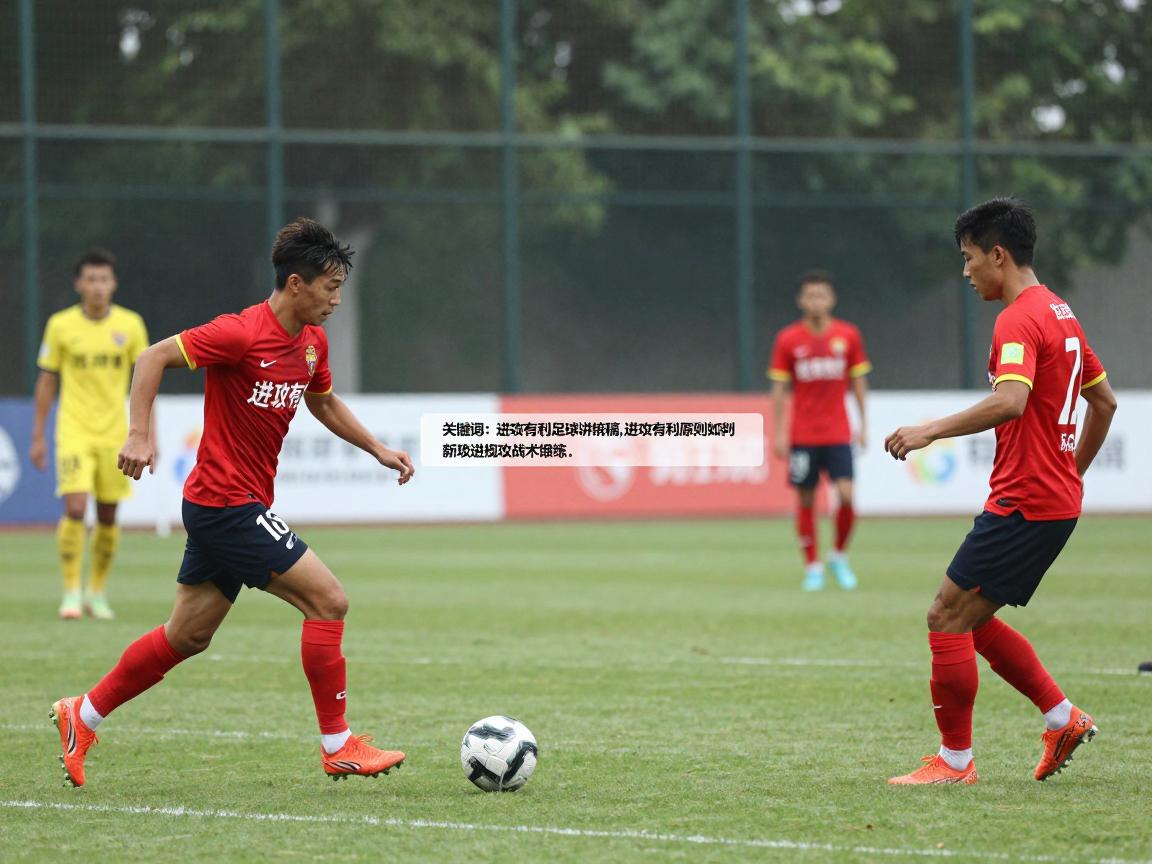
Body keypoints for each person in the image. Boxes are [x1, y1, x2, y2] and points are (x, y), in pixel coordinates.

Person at [50, 218, 416, 787]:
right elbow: (150, 358)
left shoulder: (312, 343)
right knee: (329, 601)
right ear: (295, 284)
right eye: (330, 288)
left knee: (187, 636)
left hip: (226, 504)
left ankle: (84, 714)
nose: (336, 300)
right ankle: (338, 745)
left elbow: (322, 402)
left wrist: (377, 449)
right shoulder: (240, 333)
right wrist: (139, 434)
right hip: (227, 504)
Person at [884, 198, 1117, 785]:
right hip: (1047, 499)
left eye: (968, 259)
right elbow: (1105, 402)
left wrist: (929, 430)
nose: (966, 273)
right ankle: (1062, 718)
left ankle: (955, 762)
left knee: (945, 616)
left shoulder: (1018, 318)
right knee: (973, 618)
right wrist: (1071, 473)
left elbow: (1011, 400)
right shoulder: (1061, 312)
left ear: (997, 255)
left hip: (1025, 500)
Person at [30, 249, 150, 620]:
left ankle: (96, 593)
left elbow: (145, 382)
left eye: (104, 279)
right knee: (76, 508)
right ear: (78, 284)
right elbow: (47, 381)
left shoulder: (131, 325)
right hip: (74, 430)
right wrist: (38, 436)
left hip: (115, 433)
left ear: (113, 284)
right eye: (91, 279)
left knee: (108, 515)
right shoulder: (60, 325)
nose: (98, 286)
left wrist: (147, 435)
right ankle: (71, 591)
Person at [768, 271, 870, 591]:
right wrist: (779, 433)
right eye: (810, 296)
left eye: (821, 295)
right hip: (803, 435)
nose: (816, 301)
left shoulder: (848, 335)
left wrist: (863, 424)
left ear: (832, 299)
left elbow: (858, 382)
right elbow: (779, 390)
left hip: (838, 432)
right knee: (806, 498)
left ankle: (838, 555)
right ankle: (812, 566)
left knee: (847, 495)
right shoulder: (788, 339)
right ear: (801, 300)